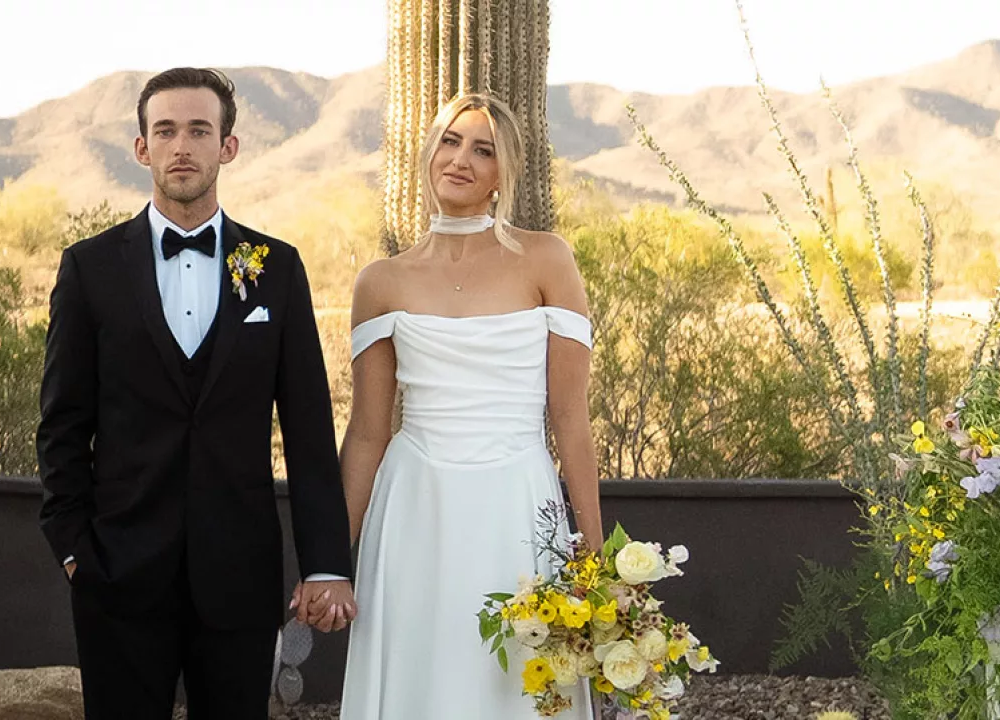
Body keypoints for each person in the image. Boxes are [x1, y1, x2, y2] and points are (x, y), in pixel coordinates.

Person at [36, 67, 355, 720]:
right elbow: (62, 424)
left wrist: (325, 562)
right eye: (166, 130)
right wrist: (74, 550)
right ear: (142, 148)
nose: (182, 146)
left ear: (227, 147)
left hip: (238, 576)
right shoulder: (89, 269)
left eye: (199, 130)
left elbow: (309, 429)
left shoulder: (275, 268)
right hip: (116, 575)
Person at [338, 92, 604, 719]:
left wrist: (595, 557)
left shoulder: (547, 259)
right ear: (428, 153)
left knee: (515, 677)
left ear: (504, 174)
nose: (460, 159)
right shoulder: (380, 282)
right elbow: (368, 433)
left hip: (516, 502)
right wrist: (329, 562)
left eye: (482, 149)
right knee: (416, 674)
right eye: (451, 142)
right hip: (413, 510)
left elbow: (570, 417)